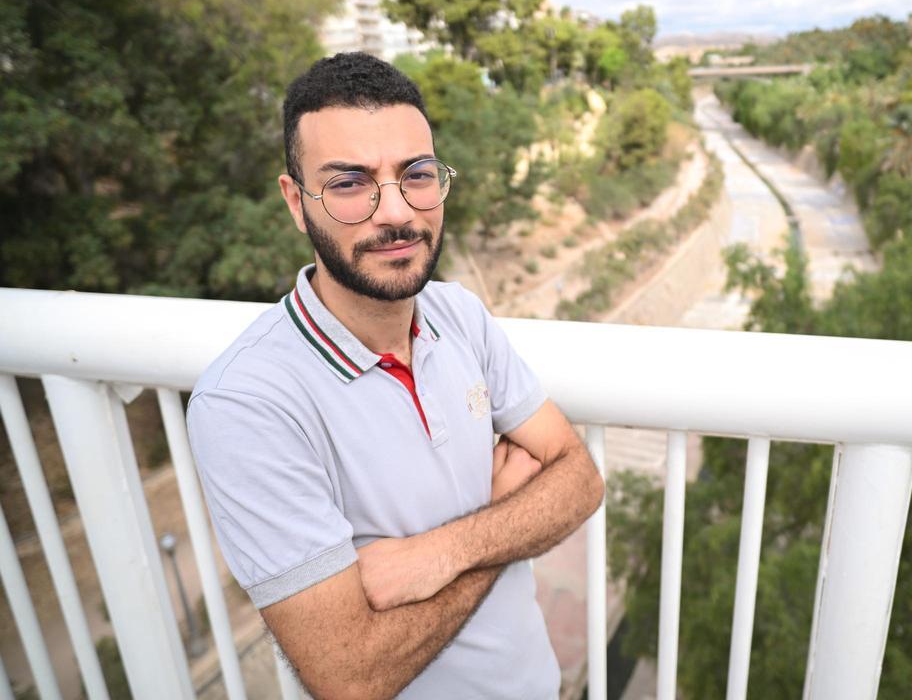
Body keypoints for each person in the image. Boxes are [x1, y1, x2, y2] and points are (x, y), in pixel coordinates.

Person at [186, 51, 605, 700]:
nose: (396, 212)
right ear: (297, 203)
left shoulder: (458, 314)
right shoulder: (246, 403)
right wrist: (503, 518)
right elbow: (351, 677)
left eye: (416, 175)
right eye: (350, 183)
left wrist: (438, 555)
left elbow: (579, 479)